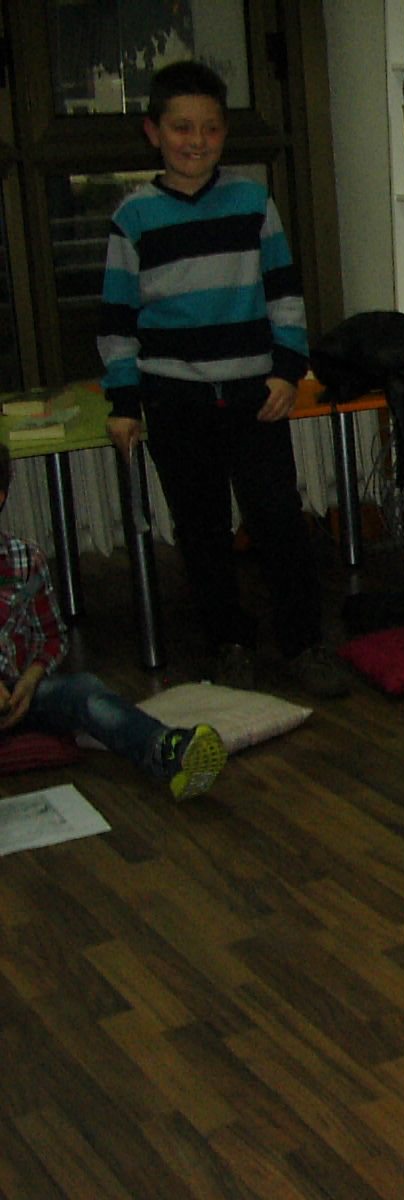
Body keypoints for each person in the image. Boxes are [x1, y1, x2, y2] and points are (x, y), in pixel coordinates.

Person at [96, 60, 350, 699]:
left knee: (279, 522)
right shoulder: (133, 217)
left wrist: (287, 371)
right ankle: (229, 642)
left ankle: (303, 642)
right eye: (182, 128)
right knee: (201, 530)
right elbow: (117, 321)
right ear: (154, 132)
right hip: (173, 396)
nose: (197, 141)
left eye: (210, 128)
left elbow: (284, 294)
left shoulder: (252, 202)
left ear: (224, 133)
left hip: (253, 394)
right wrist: (124, 400)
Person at [0, 445, 227, 800]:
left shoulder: (25, 560)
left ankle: (167, 749)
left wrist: (29, 683)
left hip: (14, 695)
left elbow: (52, 637)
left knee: (84, 690)